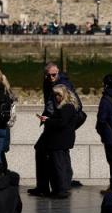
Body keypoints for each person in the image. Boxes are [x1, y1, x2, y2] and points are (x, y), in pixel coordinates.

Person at [29, 62, 78, 197]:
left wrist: (51, 120)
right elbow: (49, 104)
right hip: (53, 122)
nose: (51, 77)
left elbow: (74, 105)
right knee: (50, 153)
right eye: (48, 75)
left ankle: (58, 187)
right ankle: (54, 186)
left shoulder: (63, 85)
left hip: (58, 125)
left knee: (56, 155)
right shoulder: (47, 83)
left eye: (54, 75)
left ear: (58, 72)